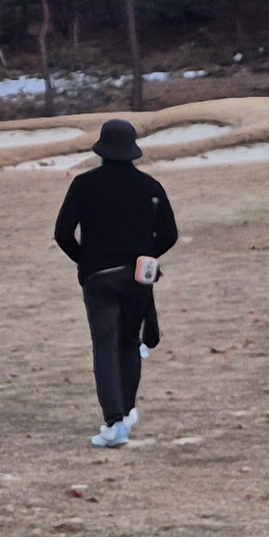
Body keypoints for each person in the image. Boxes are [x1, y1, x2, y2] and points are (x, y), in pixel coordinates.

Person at [50, 118, 178, 448]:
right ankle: (129, 410)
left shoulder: (83, 184)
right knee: (128, 343)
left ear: (102, 150)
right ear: (132, 150)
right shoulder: (150, 187)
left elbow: (63, 234)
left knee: (104, 345)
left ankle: (113, 422)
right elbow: (170, 235)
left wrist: (86, 260)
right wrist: (145, 255)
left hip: (98, 278)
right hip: (138, 277)